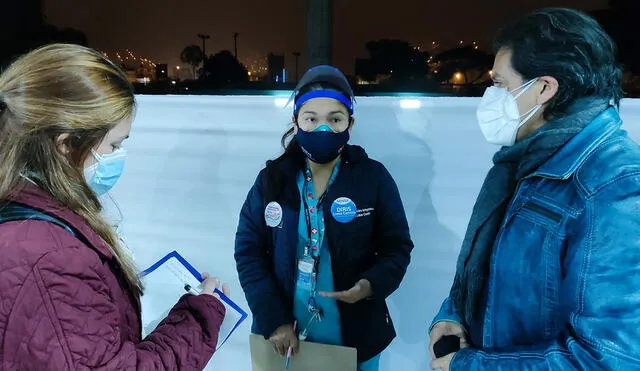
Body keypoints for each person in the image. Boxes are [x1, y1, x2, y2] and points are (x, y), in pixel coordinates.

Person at [428, 8, 640, 370]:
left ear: (544, 88)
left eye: (500, 85)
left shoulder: (613, 188)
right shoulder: (529, 159)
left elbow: (606, 360)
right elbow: (493, 269)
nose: (490, 97)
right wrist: (452, 314)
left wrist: (467, 366)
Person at [0, 43, 229, 370]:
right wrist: (199, 316)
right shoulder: (54, 260)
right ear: (65, 145)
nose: (117, 156)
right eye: (114, 145)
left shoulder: (23, 208)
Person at [235, 65, 414, 370]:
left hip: (357, 336)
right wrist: (273, 320)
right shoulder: (271, 180)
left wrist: (370, 285)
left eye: (334, 119)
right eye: (311, 118)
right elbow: (248, 252)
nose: (323, 129)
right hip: (286, 337)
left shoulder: (373, 178)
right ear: (295, 122)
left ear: (350, 123)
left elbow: (397, 247)